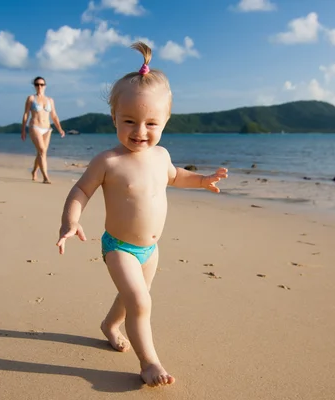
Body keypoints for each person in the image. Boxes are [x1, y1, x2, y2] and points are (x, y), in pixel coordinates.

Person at [55, 42, 228, 387]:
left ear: (165, 121)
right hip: (118, 246)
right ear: (114, 118)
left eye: (151, 123)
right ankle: (149, 362)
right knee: (140, 301)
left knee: (131, 297)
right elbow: (81, 190)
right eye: (129, 121)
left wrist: (203, 181)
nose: (140, 131)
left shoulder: (161, 156)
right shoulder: (109, 161)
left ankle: (109, 325)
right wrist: (70, 221)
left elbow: (177, 176)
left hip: (151, 249)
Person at [21, 76, 65, 184]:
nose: (39, 86)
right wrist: (23, 129)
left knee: (41, 152)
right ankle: (46, 177)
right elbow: (26, 114)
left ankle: (34, 171)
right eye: (37, 84)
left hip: (47, 129)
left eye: (41, 84)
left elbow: (54, 115)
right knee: (42, 151)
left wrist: (60, 129)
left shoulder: (50, 100)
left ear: (45, 86)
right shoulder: (31, 98)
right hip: (34, 127)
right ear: (34, 86)